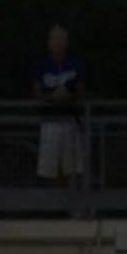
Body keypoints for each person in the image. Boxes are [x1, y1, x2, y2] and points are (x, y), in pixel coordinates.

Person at [31, 24, 87, 183]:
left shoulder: (75, 63)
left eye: (61, 39)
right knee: (49, 170)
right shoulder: (41, 64)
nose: (58, 43)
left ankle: (73, 204)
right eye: (55, 39)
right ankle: (52, 204)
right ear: (49, 42)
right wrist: (52, 97)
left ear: (67, 42)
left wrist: (68, 96)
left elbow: (81, 91)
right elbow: (36, 93)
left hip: (71, 122)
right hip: (50, 122)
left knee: (73, 169)